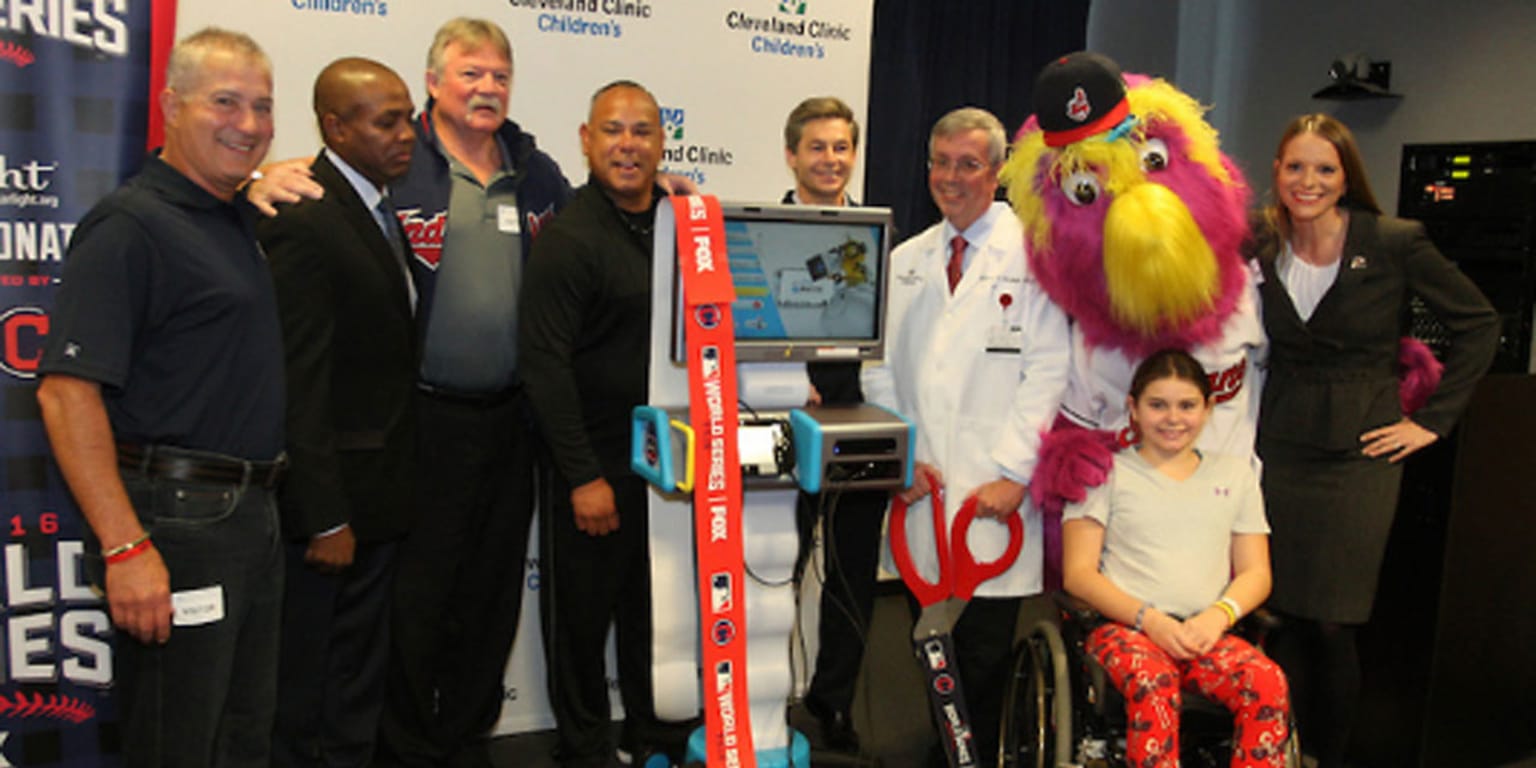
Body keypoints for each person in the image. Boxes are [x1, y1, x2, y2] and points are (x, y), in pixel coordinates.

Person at [35, 28, 285, 767]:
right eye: (225, 102)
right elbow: (65, 393)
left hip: (250, 516)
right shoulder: (130, 227)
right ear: (171, 105)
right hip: (178, 523)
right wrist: (126, 546)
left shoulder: (231, 217)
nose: (248, 124)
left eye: (263, 106)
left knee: (240, 736)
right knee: (180, 740)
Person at [1247, 113, 1498, 767]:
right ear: (1275, 172)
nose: (1309, 181)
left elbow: (1479, 324)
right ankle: (1280, 751)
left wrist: (1434, 421)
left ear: (1346, 176)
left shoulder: (1393, 241)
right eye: (1295, 166)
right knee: (1277, 616)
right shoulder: (1255, 238)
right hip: (1277, 448)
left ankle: (1327, 756)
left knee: (1331, 620)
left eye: (1325, 168)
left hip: (1360, 457)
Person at [370, 17, 574, 768]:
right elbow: (330, 190)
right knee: (415, 598)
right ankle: (403, 750)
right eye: (470, 74)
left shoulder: (535, 169)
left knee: (489, 597)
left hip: (511, 422)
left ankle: (465, 739)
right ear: (432, 82)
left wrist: (667, 195)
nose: (488, 88)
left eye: (499, 76)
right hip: (423, 420)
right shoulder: (398, 160)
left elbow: (593, 232)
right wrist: (274, 175)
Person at [861, 107, 1069, 767]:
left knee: (981, 655)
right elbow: (877, 368)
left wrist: (1014, 472)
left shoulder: (1035, 258)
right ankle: (948, 755)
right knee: (931, 651)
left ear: (998, 170)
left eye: (968, 164)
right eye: (941, 163)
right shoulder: (905, 261)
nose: (952, 178)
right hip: (924, 490)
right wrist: (904, 458)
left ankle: (969, 759)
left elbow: (1049, 374)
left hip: (993, 497)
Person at [255, 57, 418, 767]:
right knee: (312, 688)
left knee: (354, 681)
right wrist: (323, 513)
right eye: (387, 122)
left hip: (379, 495)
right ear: (334, 126)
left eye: (408, 116)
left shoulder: (375, 207)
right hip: (331, 512)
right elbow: (300, 378)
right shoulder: (305, 215)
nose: (407, 134)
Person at [519, 80, 677, 768]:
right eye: (613, 130)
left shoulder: (679, 224)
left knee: (655, 612)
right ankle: (582, 745)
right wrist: (583, 476)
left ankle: (654, 734)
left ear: (661, 143)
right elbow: (544, 365)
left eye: (642, 131)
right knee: (582, 620)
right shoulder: (571, 239)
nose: (628, 145)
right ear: (586, 140)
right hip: (594, 465)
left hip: (667, 466)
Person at [1062, 349, 1290, 768]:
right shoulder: (1102, 471)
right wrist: (1151, 621)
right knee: (1153, 683)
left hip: (1206, 630)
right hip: (1126, 630)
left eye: (1187, 405)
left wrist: (1217, 617)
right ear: (1132, 408)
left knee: (1266, 681)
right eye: (1157, 405)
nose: (1173, 418)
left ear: (1208, 409)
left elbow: (1257, 572)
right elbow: (1078, 574)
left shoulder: (1235, 475)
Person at [779, 95, 884, 754]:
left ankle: (834, 701)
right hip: (787, 425)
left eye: (841, 147)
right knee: (774, 569)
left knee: (851, 576)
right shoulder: (760, 235)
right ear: (791, 154)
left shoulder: (872, 237)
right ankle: (760, 695)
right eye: (817, 147)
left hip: (860, 423)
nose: (831, 160)